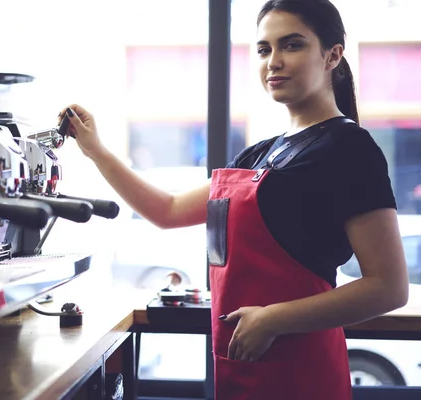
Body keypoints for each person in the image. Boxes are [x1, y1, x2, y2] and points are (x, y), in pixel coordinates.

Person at [59, 0, 409, 398]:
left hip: (303, 374)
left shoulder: (349, 148)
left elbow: (388, 287)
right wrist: (95, 149)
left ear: (333, 55)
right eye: (264, 49)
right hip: (244, 370)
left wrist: (273, 319)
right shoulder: (258, 154)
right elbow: (167, 210)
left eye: (292, 45)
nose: (273, 61)